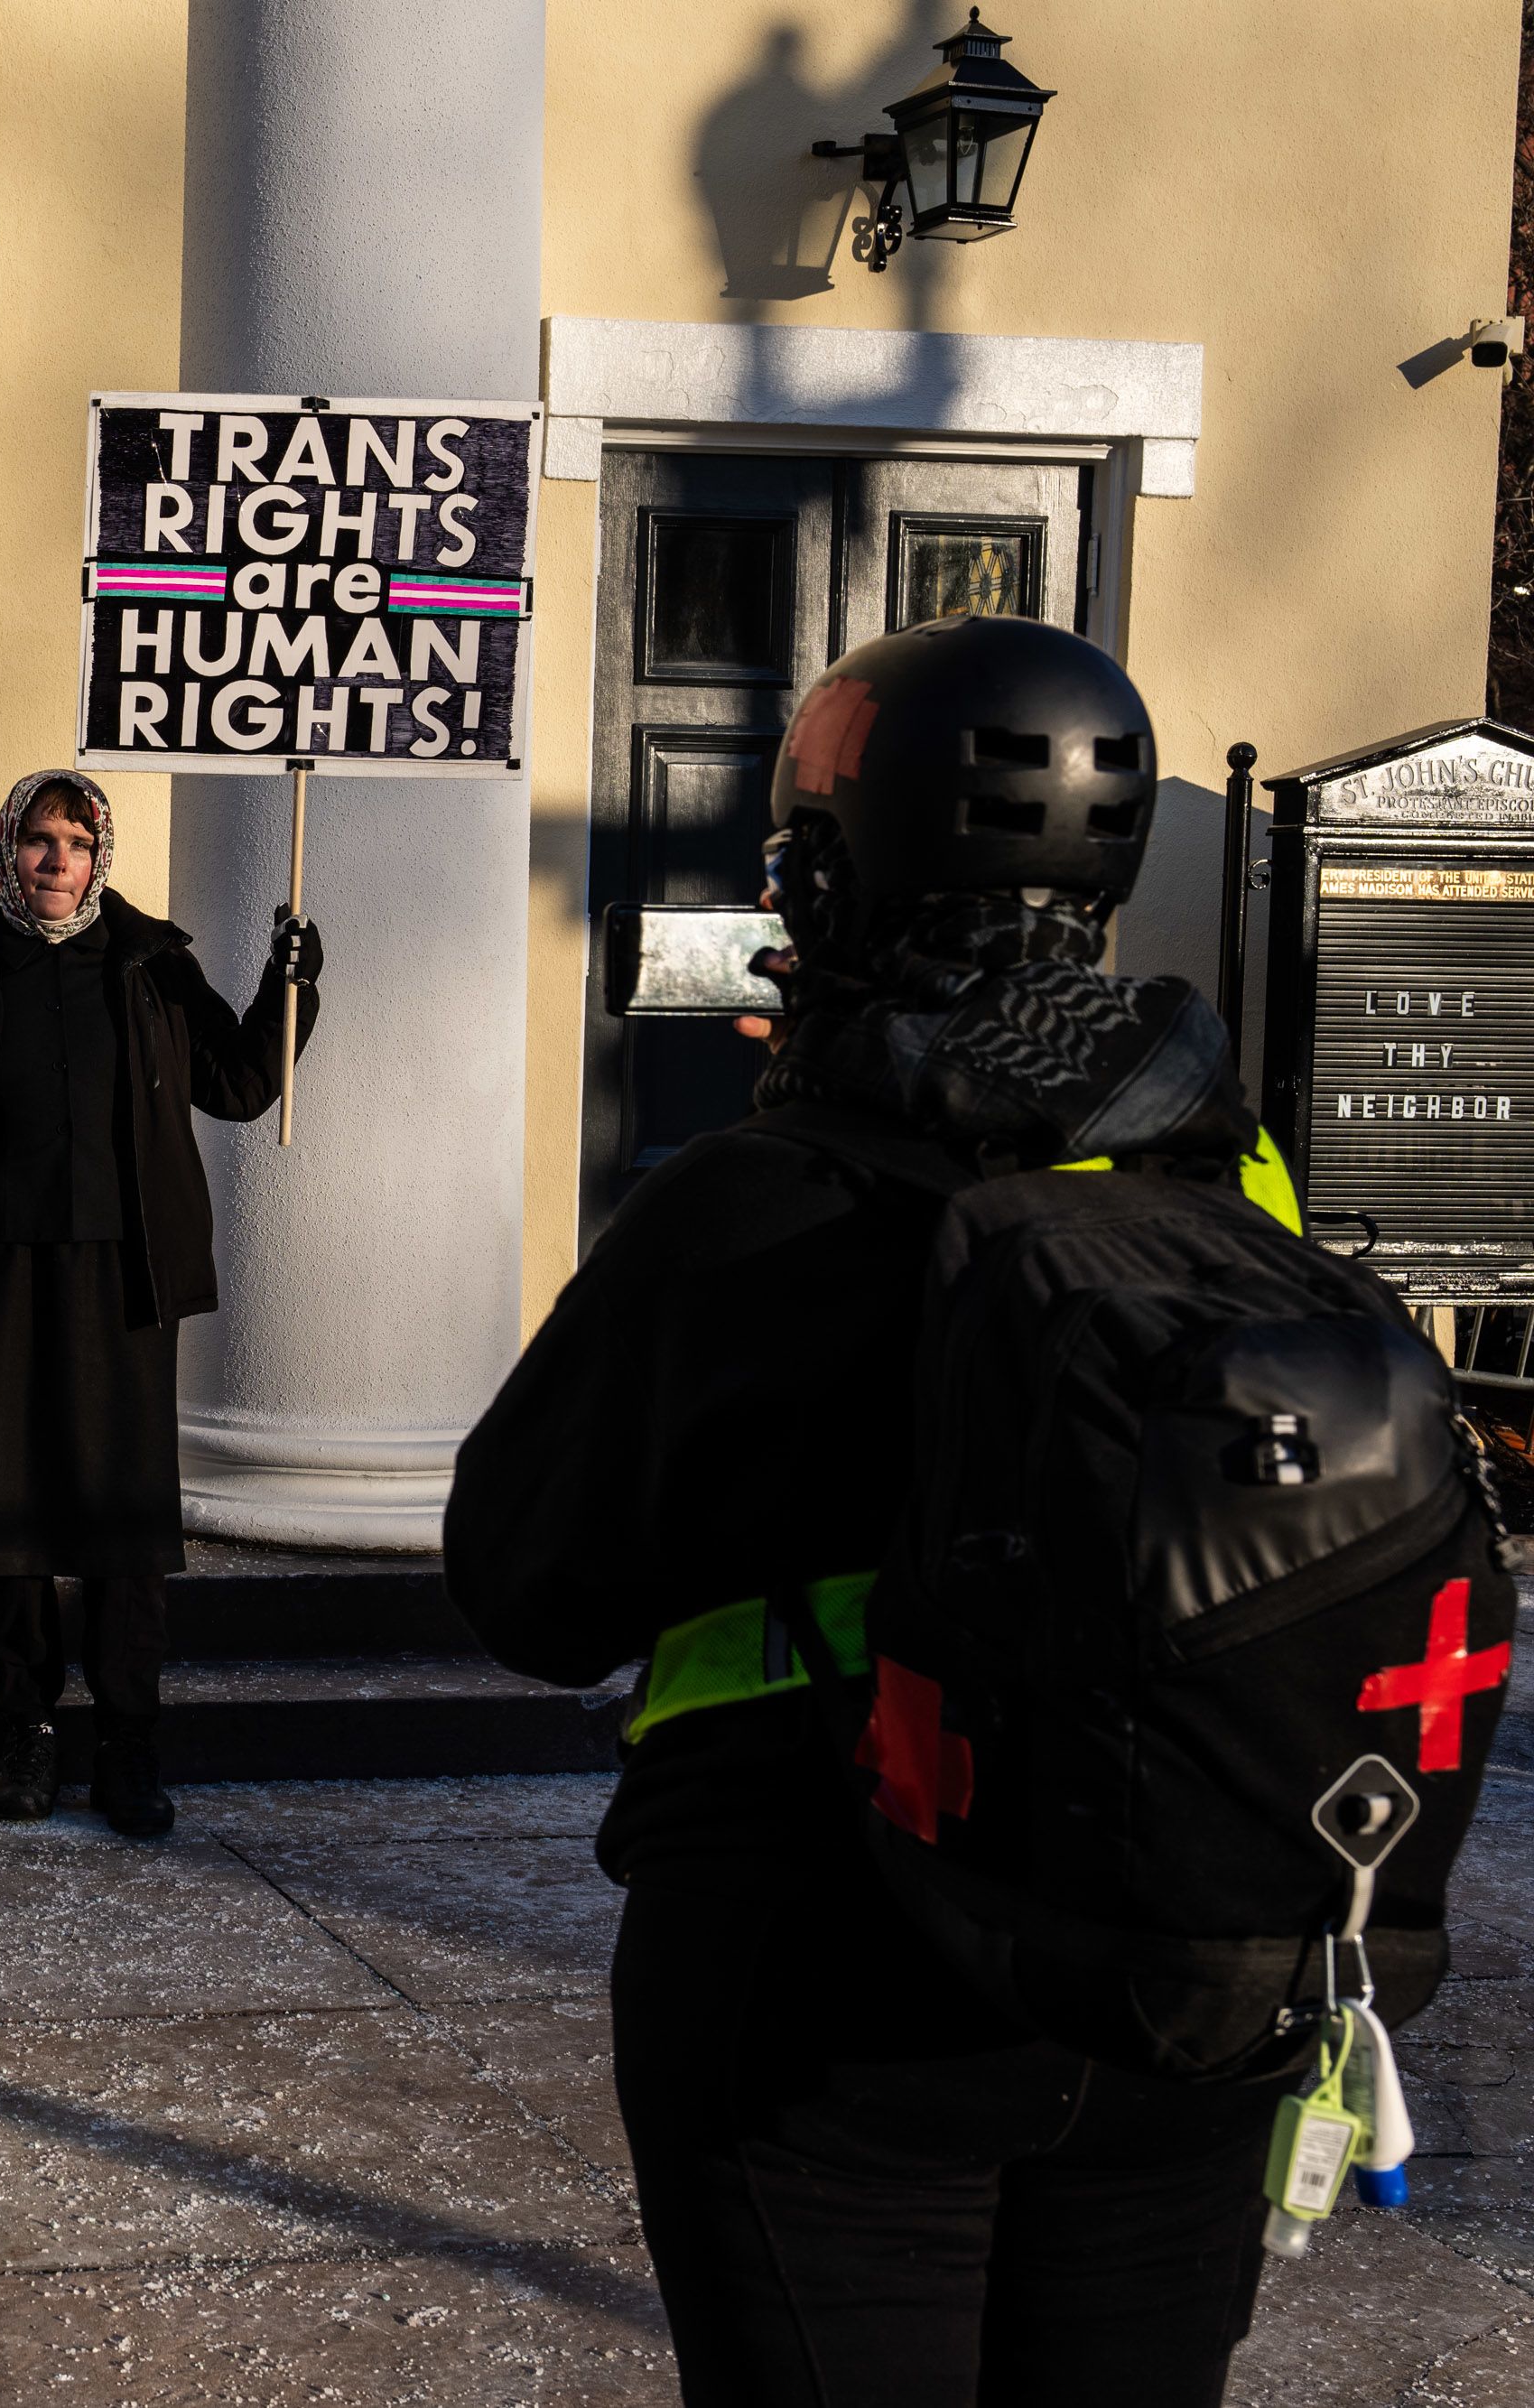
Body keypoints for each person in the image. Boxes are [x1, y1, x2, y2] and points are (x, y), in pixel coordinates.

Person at [446, 617, 1293, 2405]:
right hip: (1177, 1969)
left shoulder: (758, 1195)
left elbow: (522, 1580)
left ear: (838, 883)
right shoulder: (1230, 1165)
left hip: (825, 1973)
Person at [0, 769, 317, 1836]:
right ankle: (24, 1728)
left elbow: (237, 1083)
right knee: (11, 1514)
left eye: (76, 840)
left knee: (125, 1523)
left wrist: (290, 985)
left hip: (127, 1277)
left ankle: (129, 1739)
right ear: (7, 850)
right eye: (38, 840)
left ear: (101, 853)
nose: (56, 859)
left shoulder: (153, 965)